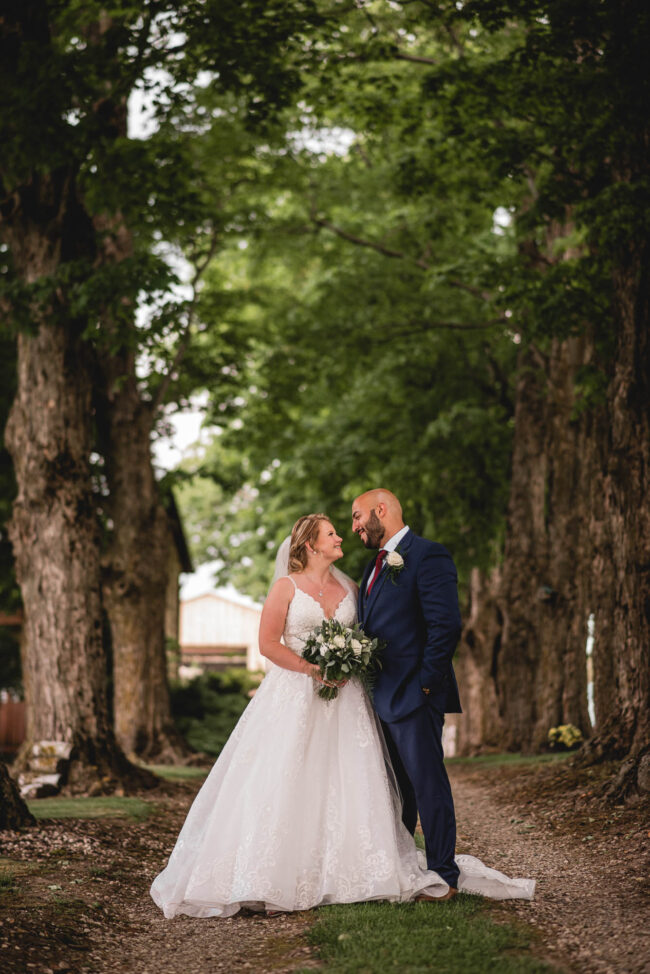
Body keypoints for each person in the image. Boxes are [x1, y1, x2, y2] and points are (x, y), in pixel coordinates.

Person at [150, 513, 534, 919]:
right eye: (331, 533)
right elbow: (267, 643)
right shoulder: (286, 587)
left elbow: (372, 633)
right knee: (287, 776)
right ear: (310, 545)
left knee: (351, 776)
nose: (341, 537)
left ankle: (354, 867)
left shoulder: (351, 586)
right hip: (295, 696)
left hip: (348, 701)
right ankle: (268, 870)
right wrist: (312, 668)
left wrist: (350, 662)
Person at [352, 488, 462, 898]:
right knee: (397, 788)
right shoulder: (374, 566)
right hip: (380, 697)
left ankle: (444, 875)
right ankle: (399, 867)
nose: (355, 526)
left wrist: (426, 686)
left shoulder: (427, 555)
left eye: (358, 515)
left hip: (416, 695)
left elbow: (445, 626)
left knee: (427, 783)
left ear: (382, 510)